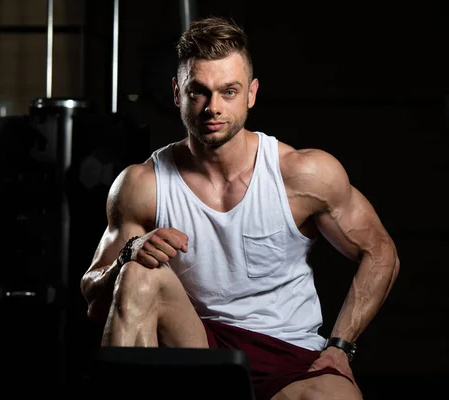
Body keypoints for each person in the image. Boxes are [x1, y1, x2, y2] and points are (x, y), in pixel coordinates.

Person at [80, 16, 400, 400]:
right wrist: (130, 254)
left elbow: (381, 253)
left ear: (251, 93)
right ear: (178, 93)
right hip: (197, 346)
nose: (212, 108)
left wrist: (340, 346)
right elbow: (96, 304)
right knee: (137, 274)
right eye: (199, 92)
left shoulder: (301, 174)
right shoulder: (141, 185)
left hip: (292, 356)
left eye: (228, 92)